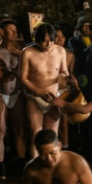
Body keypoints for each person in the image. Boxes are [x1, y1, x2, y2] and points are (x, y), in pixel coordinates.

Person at [20, 23, 69, 159]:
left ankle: (51, 167)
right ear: (37, 39)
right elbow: (23, 78)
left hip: (53, 97)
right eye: (44, 41)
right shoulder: (28, 52)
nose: (48, 44)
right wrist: (39, 92)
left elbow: (64, 72)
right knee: (36, 134)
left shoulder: (60, 51)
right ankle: (36, 167)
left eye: (51, 40)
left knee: (52, 135)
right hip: (34, 97)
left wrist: (67, 79)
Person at [0, 19, 26, 179]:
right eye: (10, 30)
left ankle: (22, 165)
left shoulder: (22, 50)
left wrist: (13, 69)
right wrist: (16, 71)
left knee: (19, 130)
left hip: (16, 93)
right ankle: (1, 168)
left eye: (15, 30)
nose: (14, 33)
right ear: (2, 32)